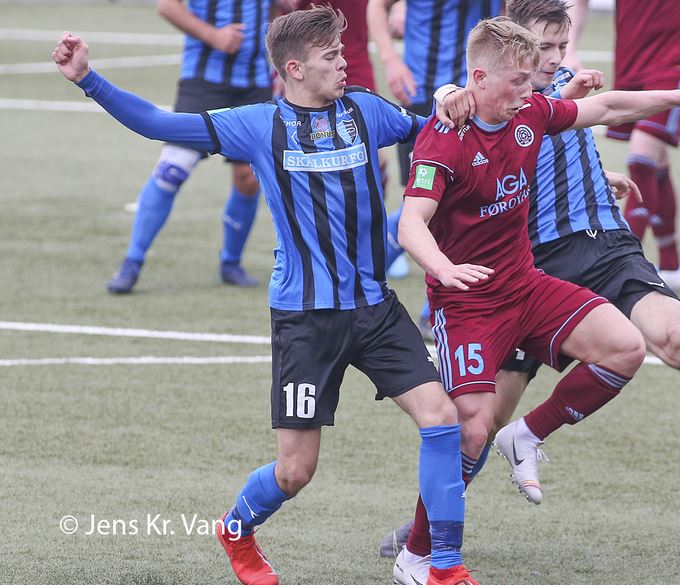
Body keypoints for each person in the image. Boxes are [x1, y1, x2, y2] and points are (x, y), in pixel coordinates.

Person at [52, 7, 481, 585]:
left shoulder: (367, 111)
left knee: (442, 419)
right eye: (331, 55)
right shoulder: (257, 124)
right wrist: (87, 78)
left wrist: (450, 96)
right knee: (295, 471)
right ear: (295, 69)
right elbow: (157, 123)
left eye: (342, 52)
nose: (345, 62)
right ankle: (236, 529)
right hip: (305, 320)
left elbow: (440, 131)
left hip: (375, 309)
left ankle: (442, 566)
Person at [388, 15, 680, 584]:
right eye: (518, 81)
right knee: (471, 428)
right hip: (470, 303)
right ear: (479, 78)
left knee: (624, 347)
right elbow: (411, 224)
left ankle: (525, 437)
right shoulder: (444, 136)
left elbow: (607, 107)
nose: (529, 91)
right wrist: (444, 269)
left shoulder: (529, 113)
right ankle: (421, 557)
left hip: (527, 285)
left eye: (532, 78)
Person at [564, 0, 680, 290]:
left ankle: (617, 264)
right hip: (630, 59)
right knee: (655, 160)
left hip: (676, 60)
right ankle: (671, 264)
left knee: (641, 157)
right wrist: (570, 49)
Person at [106, 0, 272, 294]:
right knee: (172, 170)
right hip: (202, 82)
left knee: (248, 178)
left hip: (255, 83)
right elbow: (167, 6)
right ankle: (132, 261)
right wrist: (214, 35)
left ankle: (231, 262)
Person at [368, 0, 504, 293]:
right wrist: (391, 60)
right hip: (425, 92)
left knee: (475, 196)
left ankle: (430, 299)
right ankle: (366, 275)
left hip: (483, 95)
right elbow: (377, 5)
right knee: (424, 200)